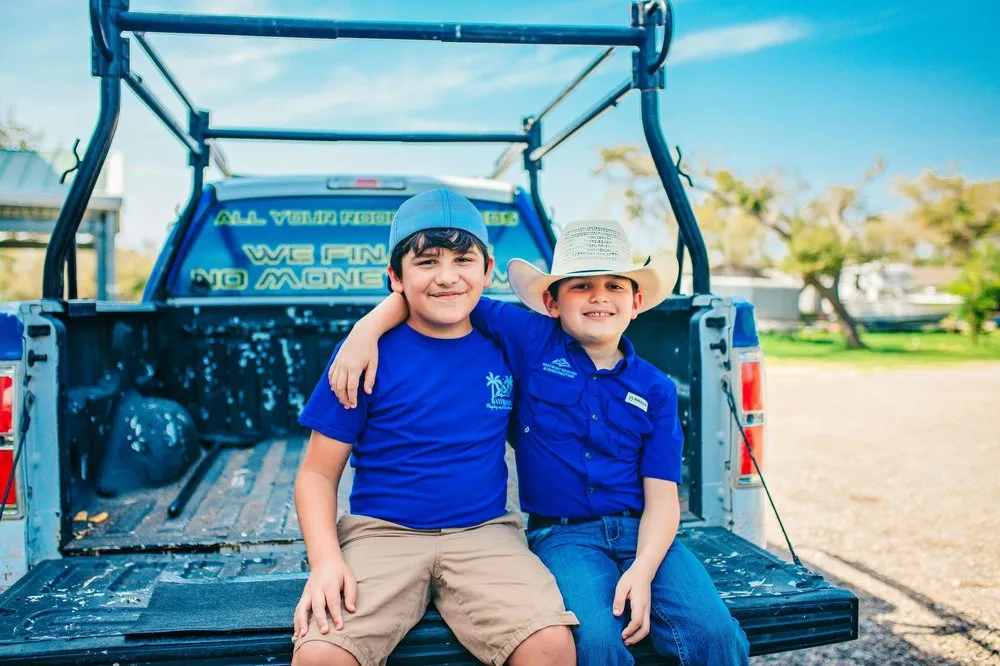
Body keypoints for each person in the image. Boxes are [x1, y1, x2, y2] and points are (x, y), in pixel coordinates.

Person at [329, 202, 751, 665]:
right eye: (582, 286)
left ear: (636, 303)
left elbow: (663, 496)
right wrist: (365, 329)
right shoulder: (529, 336)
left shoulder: (656, 388)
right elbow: (441, 292)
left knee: (714, 633)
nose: (598, 297)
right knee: (594, 643)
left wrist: (644, 569)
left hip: (647, 533)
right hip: (565, 536)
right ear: (552, 301)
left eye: (614, 286)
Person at [291, 188, 578, 666]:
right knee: (322, 655)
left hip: (485, 533)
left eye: (463, 259)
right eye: (426, 262)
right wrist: (325, 563)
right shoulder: (362, 358)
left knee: (550, 643)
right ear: (395, 277)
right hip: (381, 534)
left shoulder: (506, 345)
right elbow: (317, 475)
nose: (447, 277)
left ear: (487, 271)